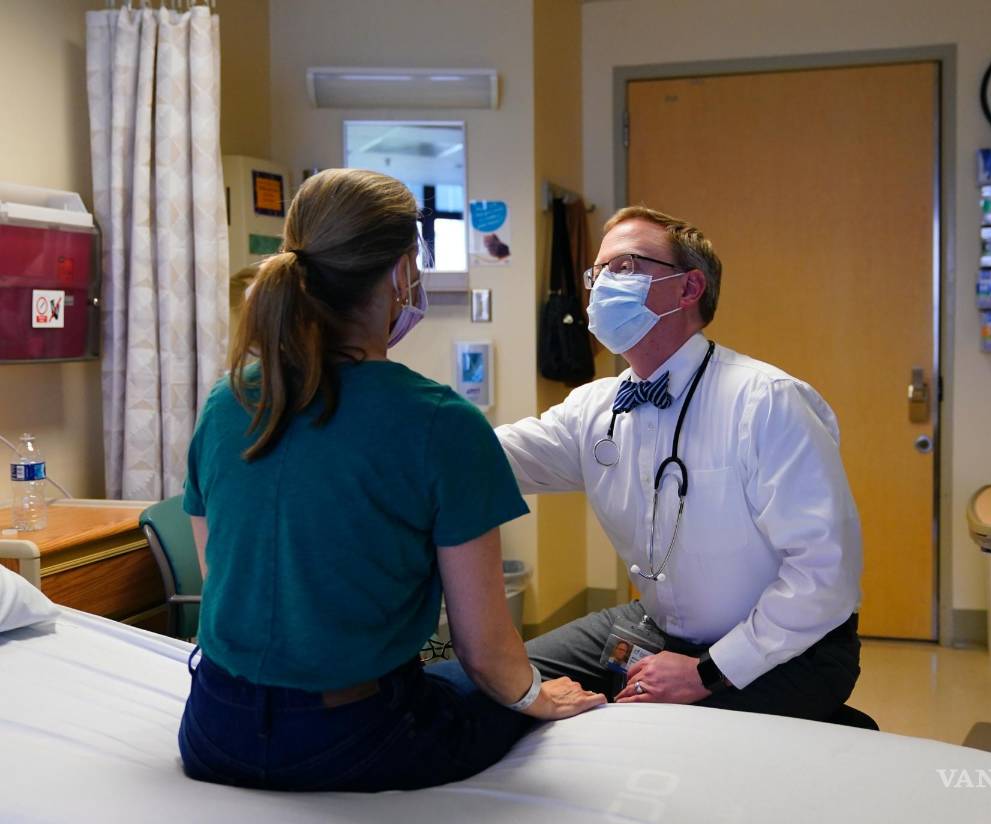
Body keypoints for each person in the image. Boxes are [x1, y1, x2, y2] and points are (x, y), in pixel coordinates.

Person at [177, 169, 604, 793]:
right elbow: (485, 652)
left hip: (214, 729)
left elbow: (221, 577)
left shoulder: (229, 400)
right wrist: (537, 698)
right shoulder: (440, 423)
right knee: (524, 685)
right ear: (404, 270)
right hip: (353, 739)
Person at [496, 206, 864, 719]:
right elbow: (490, 459)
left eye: (623, 268)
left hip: (790, 647)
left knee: (670, 747)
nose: (602, 286)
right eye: (596, 273)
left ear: (689, 289)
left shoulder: (765, 400)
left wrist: (708, 671)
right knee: (503, 686)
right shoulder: (595, 408)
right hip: (658, 629)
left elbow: (826, 573)